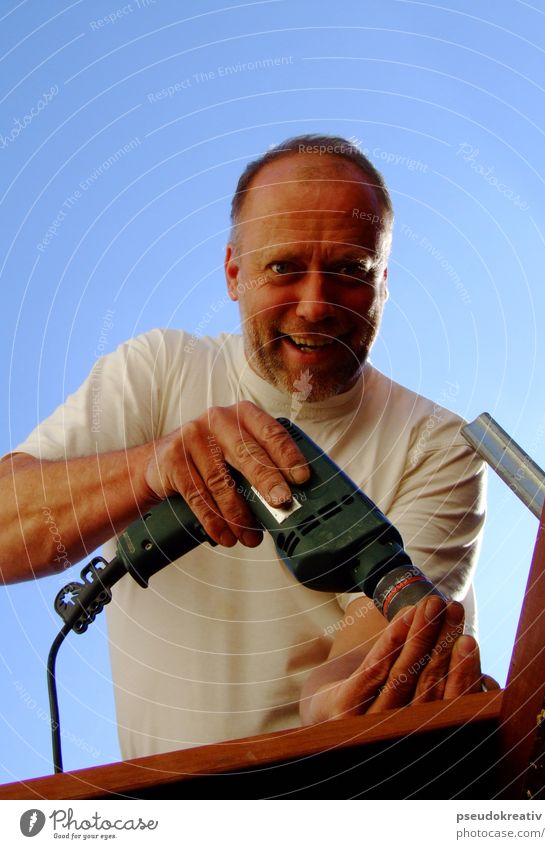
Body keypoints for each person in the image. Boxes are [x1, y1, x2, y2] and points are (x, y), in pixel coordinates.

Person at [0, 135, 489, 760]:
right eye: (284, 267)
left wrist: (338, 710)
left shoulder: (437, 445)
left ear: (384, 282)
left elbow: (348, 669)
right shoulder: (159, 371)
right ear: (234, 273)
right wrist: (152, 469)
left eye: (350, 271)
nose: (316, 307)